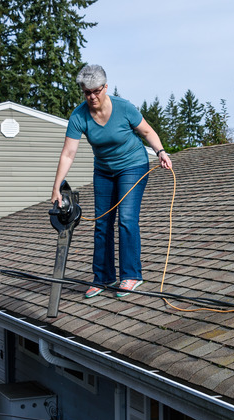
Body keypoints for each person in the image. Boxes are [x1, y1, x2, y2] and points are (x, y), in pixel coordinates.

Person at [52, 64, 172, 299]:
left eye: (97, 91)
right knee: (102, 222)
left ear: (105, 87)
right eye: (87, 92)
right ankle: (103, 277)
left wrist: (160, 152)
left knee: (126, 218)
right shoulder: (79, 116)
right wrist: (56, 187)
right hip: (104, 171)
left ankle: (132, 276)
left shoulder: (124, 108)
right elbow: (68, 153)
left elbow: (147, 132)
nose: (92, 97)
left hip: (133, 165)